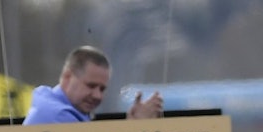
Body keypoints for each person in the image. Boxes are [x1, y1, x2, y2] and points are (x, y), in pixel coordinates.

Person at [23, 45, 163, 124]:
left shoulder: (61, 109)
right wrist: (135, 129)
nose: (97, 95)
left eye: (102, 89)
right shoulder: (58, 116)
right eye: (90, 86)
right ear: (67, 76)